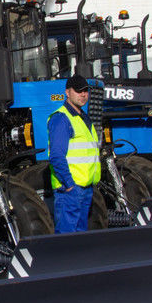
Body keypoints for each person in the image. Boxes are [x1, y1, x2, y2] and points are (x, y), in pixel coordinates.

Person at [47, 74, 101, 234]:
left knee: (79, 239)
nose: (83, 95)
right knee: (67, 240)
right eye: (78, 91)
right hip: (70, 190)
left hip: (84, 189)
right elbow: (56, 156)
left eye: (85, 91)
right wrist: (70, 185)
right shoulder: (62, 118)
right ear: (67, 92)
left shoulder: (82, 118)